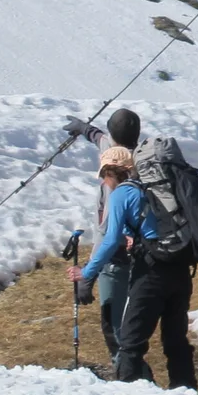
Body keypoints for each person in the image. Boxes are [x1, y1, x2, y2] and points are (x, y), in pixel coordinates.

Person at [69, 139, 198, 389]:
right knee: (175, 339)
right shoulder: (157, 187)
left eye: (104, 177)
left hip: (151, 272)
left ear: (110, 172)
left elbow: (109, 240)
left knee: (130, 342)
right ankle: (186, 392)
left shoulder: (122, 193)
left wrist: (86, 273)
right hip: (180, 266)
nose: (103, 183)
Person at [72, 109, 143, 364]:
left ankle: (127, 376)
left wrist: (88, 275)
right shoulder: (136, 159)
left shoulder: (115, 185)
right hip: (143, 259)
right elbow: (101, 140)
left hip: (116, 262)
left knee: (115, 327)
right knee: (130, 325)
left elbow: (106, 235)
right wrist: (85, 130)